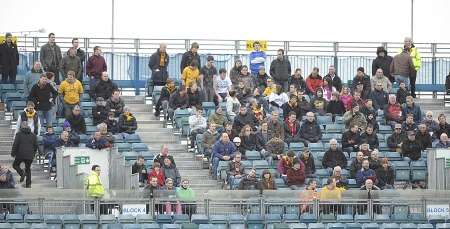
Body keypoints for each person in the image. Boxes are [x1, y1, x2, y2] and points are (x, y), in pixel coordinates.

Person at [11, 121, 38, 188]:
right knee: (28, 169)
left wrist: (13, 153)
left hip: (20, 154)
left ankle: (22, 173)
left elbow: (15, 144)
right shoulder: (33, 135)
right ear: (28, 126)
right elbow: (36, 146)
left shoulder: (19, 134)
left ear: (21, 126)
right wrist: (33, 154)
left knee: (15, 165)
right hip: (30, 155)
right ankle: (28, 184)